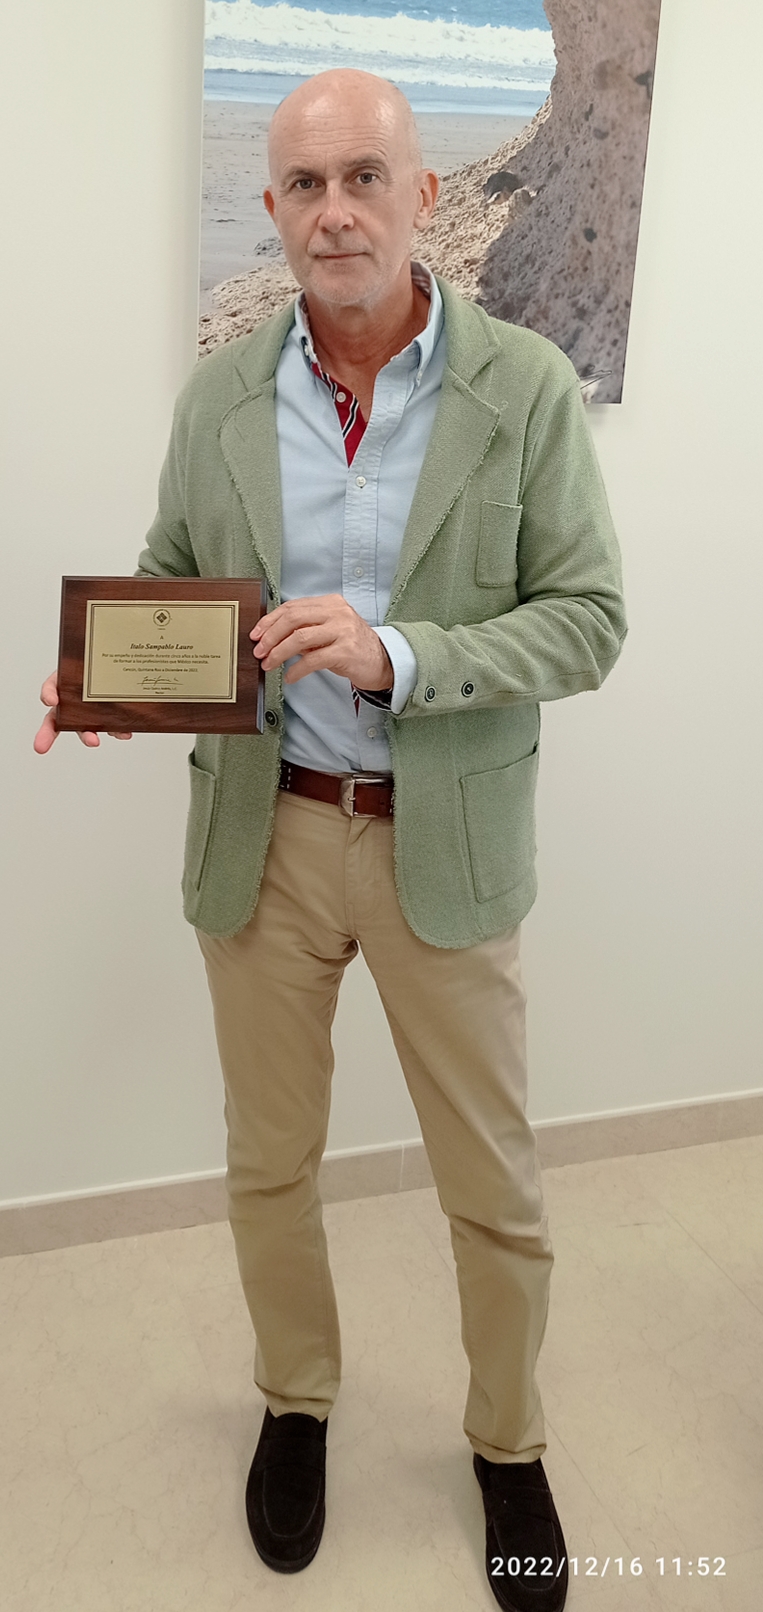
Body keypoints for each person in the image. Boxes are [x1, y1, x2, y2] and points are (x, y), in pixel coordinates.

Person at [35, 69, 626, 1612]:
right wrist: (111, 684)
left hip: (446, 844)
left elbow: (587, 621)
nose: (337, 210)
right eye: (305, 184)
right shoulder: (220, 398)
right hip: (270, 841)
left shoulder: (525, 388)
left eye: (366, 176)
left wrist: (400, 654)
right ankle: (295, 1402)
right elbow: (174, 573)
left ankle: (508, 1442)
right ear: (274, 209)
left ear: (424, 196)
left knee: (493, 1183)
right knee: (269, 1164)